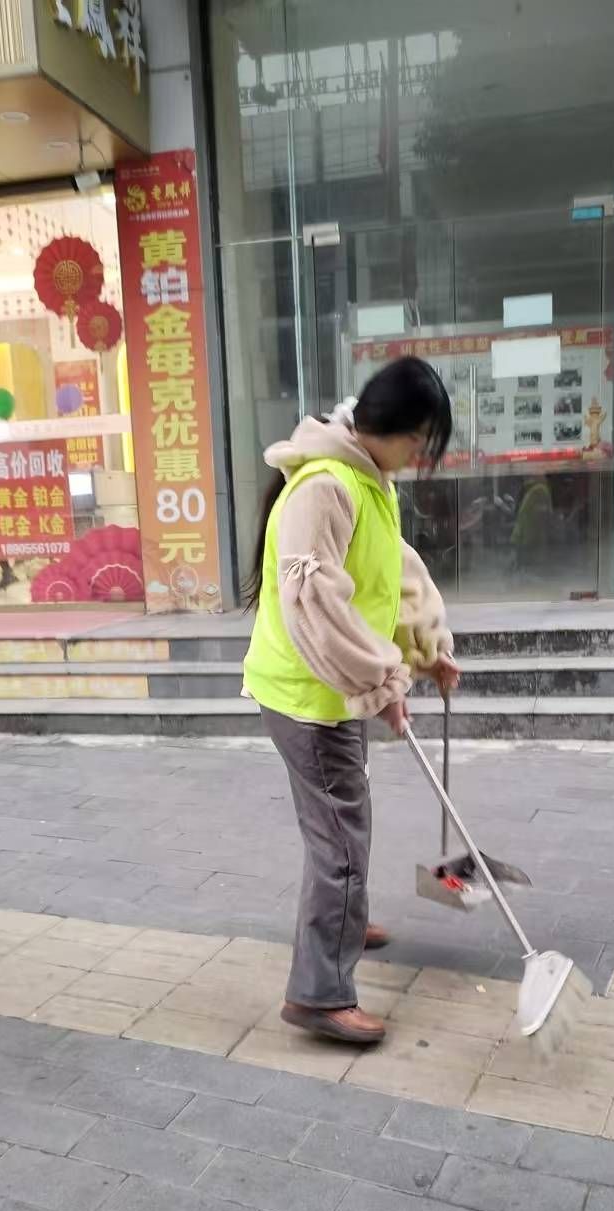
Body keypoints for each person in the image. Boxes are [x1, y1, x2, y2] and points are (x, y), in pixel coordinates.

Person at [243, 356, 460, 1044]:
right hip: (309, 696)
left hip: (331, 691)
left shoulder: (368, 482)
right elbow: (318, 608)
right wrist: (380, 684)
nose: (419, 456)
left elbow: (391, 577)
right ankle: (318, 996)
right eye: (420, 441)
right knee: (339, 840)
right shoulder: (326, 489)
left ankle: (342, 922)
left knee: (343, 825)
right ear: (394, 428)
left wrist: (425, 650)